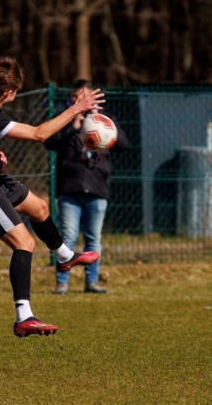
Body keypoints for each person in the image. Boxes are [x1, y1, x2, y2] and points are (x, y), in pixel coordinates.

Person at [0, 56, 105, 337]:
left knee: (40, 208)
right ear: (9, 93)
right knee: (25, 242)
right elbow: (39, 134)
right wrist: (76, 108)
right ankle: (24, 316)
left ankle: (64, 256)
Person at [44, 79, 129, 295]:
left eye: (82, 97)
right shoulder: (63, 119)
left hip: (97, 187)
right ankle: (62, 283)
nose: (77, 100)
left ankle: (91, 282)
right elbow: (48, 142)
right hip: (69, 187)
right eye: (74, 97)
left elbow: (123, 145)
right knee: (67, 236)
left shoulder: (105, 120)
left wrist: (106, 127)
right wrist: (72, 127)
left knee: (93, 237)